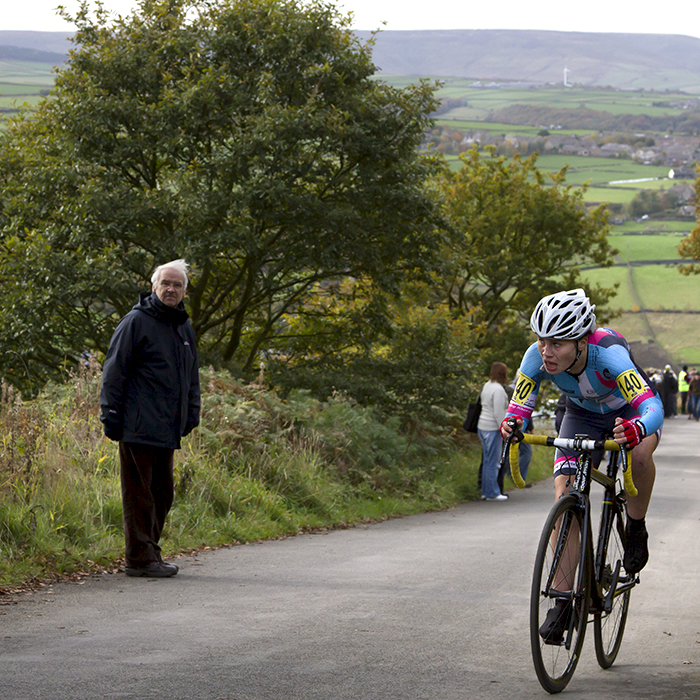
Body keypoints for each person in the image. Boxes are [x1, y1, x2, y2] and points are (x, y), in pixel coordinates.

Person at [501, 289, 663, 643]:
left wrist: (637, 428)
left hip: (630, 411)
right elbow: (519, 406)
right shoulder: (535, 358)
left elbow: (653, 407)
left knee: (638, 456)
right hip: (582, 415)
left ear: (580, 341)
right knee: (565, 498)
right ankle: (562, 601)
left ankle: (635, 527)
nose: (547, 351)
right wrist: (512, 424)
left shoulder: (609, 353)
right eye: (542, 340)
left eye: (557, 343)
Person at [100, 260, 201, 578]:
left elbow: (192, 375)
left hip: (168, 427)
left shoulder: (182, 326)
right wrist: (111, 414)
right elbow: (114, 370)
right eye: (166, 283)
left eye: (178, 285)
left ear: (185, 291)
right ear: (154, 286)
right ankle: (140, 559)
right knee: (139, 494)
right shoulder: (136, 322)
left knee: (162, 493)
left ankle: (149, 553)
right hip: (138, 424)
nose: (171, 289)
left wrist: (192, 412)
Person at [477, 362, 510, 501]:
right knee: (494, 462)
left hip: (482, 426)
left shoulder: (487, 385)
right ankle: (493, 493)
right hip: (492, 428)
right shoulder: (498, 390)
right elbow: (498, 413)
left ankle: (485, 490)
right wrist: (504, 430)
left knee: (487, 461)